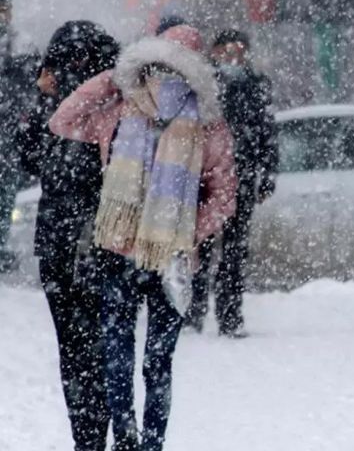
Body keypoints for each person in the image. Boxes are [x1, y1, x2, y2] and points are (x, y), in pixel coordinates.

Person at [50, 24, 237, 451]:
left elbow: (63, 119)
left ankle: (128, 437)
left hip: (118, 249)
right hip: (171, 259)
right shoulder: (209, 124)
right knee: (158, 362)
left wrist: (116, 77)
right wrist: (186, 233)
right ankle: (150, 442)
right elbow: (224, 196)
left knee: (118, 354)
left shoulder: (120, 108)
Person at [17, 20, 119, 451]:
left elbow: (32, 157)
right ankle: (97, 434)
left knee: (80, 351)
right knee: (95, 347)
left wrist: (43, 99)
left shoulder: (94, 104)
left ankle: (90, 436)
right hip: (89, 239)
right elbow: (29, 155)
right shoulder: (109, 98)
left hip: (78, 238)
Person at [184, 28, 277, 337]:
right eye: (227, 50)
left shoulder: (255, 86)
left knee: (235, 252)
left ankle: (230, 315)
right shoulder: (201, 85)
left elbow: (267, 132)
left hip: (241, 178)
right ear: (215, 51)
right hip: (206, 180)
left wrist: (267, 174)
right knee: (201, 247)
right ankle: (194, 311)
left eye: (239, 50)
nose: (233, 57)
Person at [0, 0, 36, 271]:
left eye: (6, 9)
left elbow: (29, 88)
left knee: (5, 192)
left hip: (8, 132)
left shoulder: (22, 44)